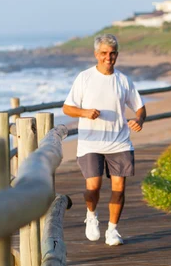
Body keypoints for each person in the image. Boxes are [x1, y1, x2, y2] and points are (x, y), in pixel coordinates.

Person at [62, 34, 146, 246]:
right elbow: (67, 108)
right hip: (91, 142)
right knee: (94, 186)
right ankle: (91, 215)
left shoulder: (124, 80)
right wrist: (84, 112)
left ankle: (113, 230)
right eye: (104, 53)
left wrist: (139, 119)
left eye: (112, 53)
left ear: (117, 54)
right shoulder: (85, 77)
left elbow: (140, 107)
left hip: (119, 142)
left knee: (119, 188)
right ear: (96, 54)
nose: (109, 57)